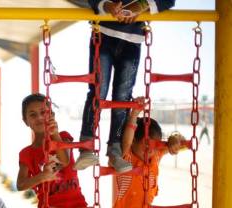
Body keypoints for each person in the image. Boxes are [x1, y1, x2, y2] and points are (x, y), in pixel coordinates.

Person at [74, 0, 175, 173]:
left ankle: (115, 150)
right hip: (103, 33)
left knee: (123, 97)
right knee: (98, 92)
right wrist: (107, 6)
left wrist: (142, 5)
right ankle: (86, 146)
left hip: (132, 40)